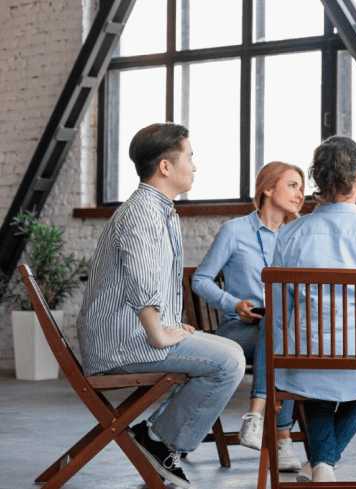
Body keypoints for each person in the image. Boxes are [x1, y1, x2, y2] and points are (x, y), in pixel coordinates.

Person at [75, 122, 246, 488]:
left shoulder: (157, 210)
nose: (195, 167)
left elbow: (148, 279)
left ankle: (159, 438)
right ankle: (160, 441)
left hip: (131, 336)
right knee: (228, 361)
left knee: (230, 350)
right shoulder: (142, 213)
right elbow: (142, 279)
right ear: (165, 166)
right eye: (190, 157)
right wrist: (158, 333)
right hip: (122, 345)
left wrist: (171, 324)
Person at [269, 135, 356, 482]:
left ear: (318, 179)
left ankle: (323, 467)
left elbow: (280, 312)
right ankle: (325, 465)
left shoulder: (290, 234)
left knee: (314, 380)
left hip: (303, 359)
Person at [191, 161, 306, 471]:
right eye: (292, 185)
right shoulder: (234, 231)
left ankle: (256, 416)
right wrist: (232, 303)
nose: (300, 194)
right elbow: (200, 280)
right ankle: (282, 438)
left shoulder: (298, 235)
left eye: (302, 187)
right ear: (267, 189)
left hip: (278, 330)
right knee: (283, 336)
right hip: (237, 329)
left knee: (280, 325)